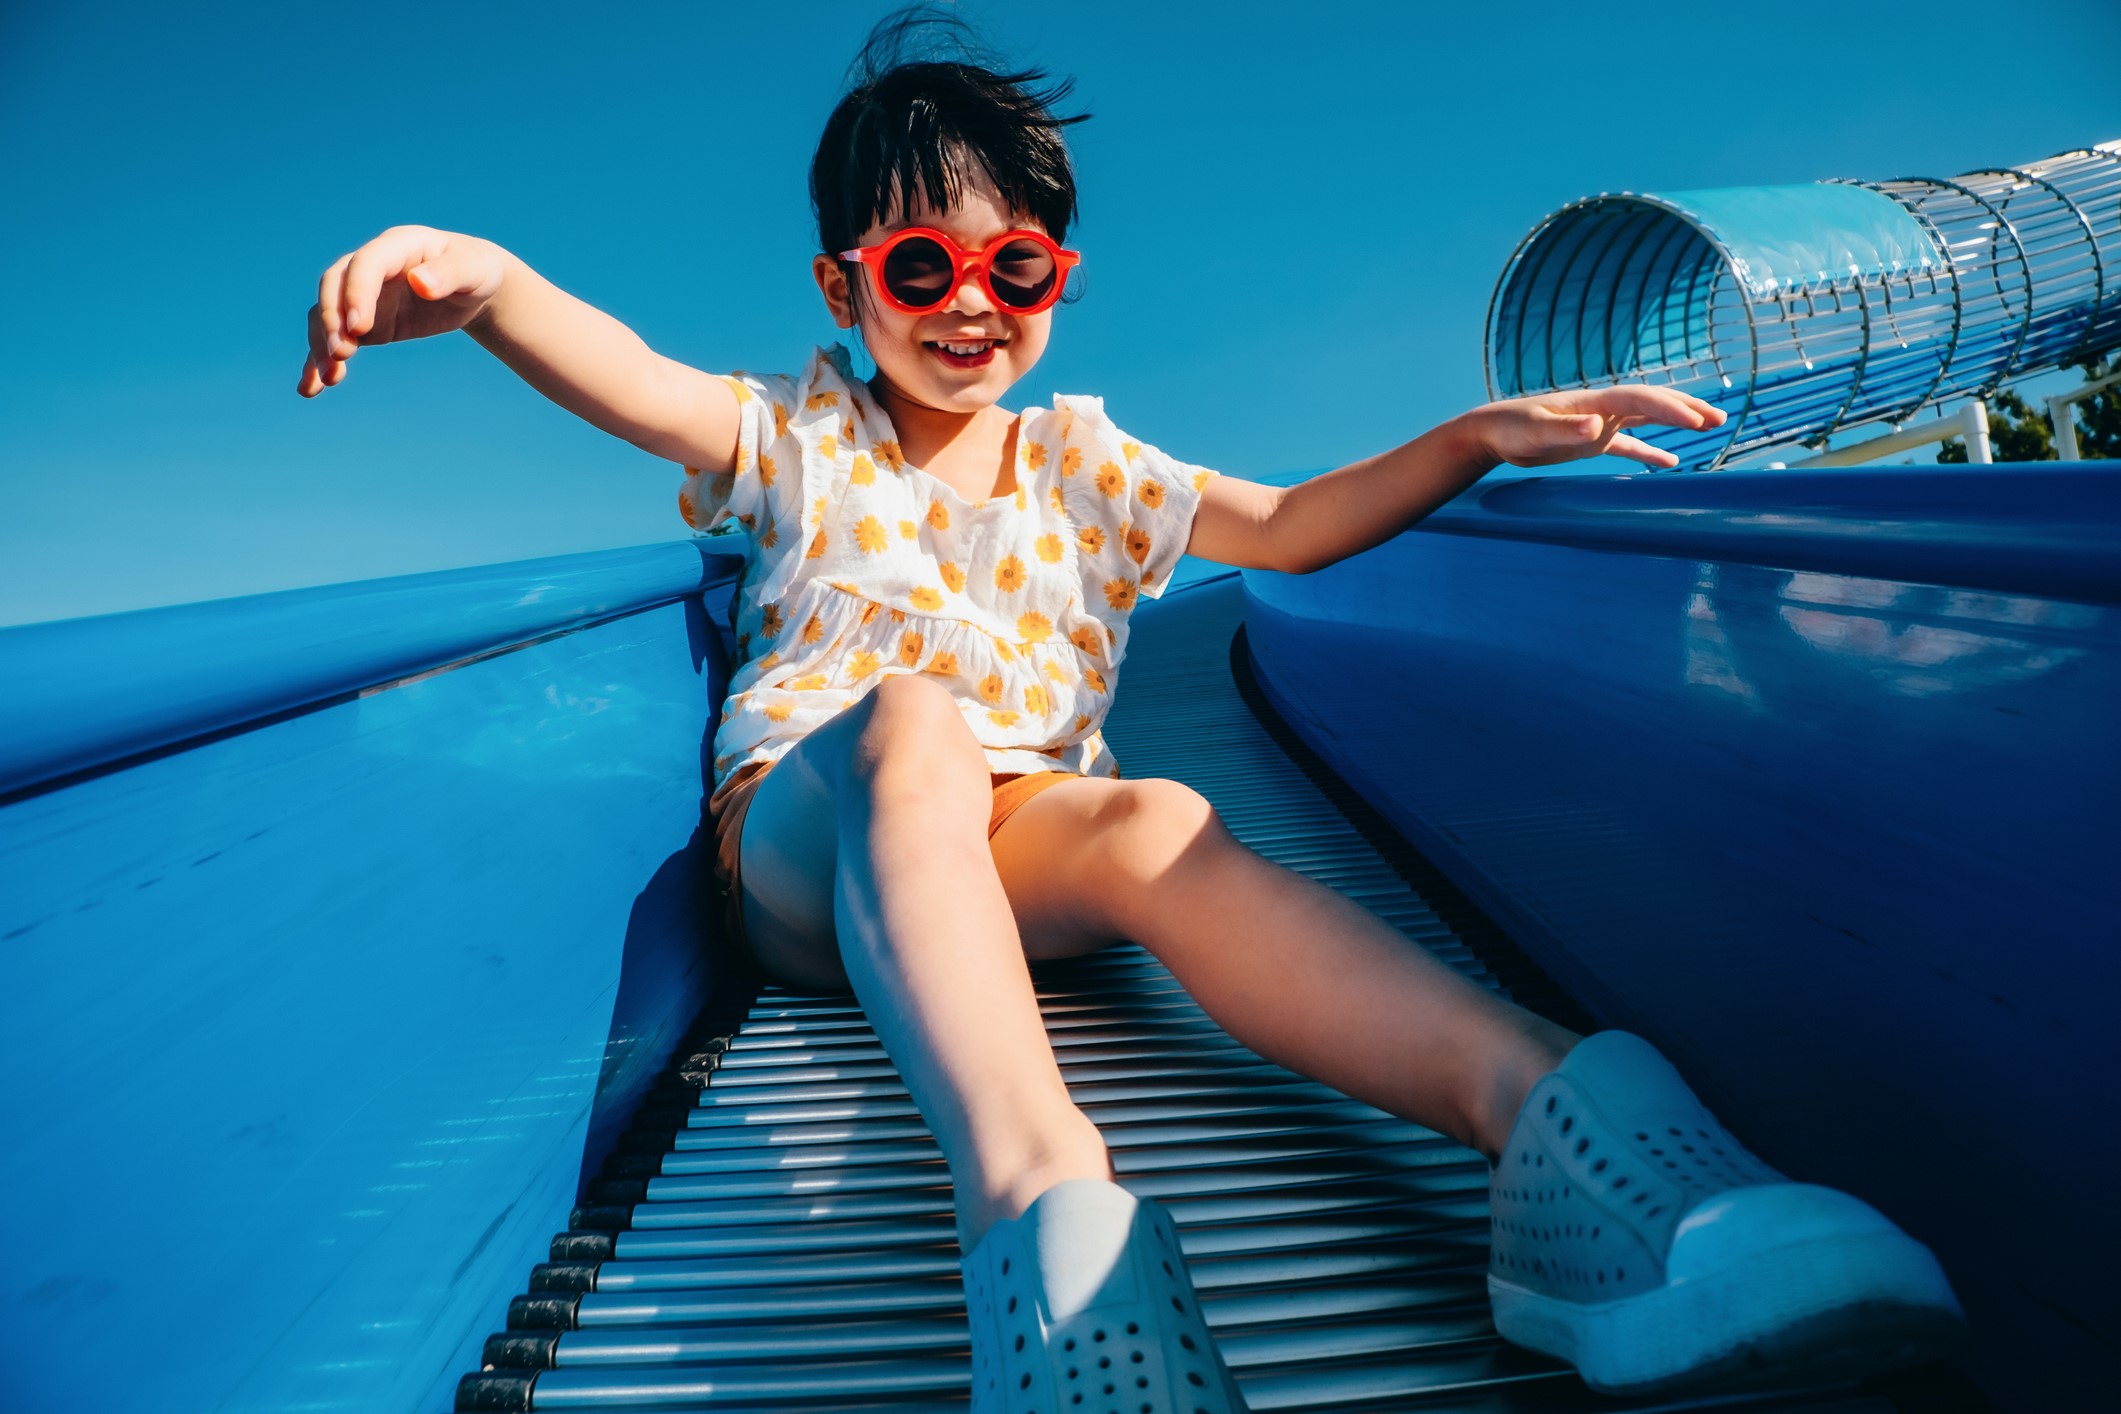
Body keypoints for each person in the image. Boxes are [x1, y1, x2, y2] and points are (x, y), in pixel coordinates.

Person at [296, 11, 1965, 1409]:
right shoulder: (797, 432)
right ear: (843, 286)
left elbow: (1290, 530)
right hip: (824, 836)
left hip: (1024, 832)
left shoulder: (1092, 464)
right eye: (919, 261)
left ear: (1056, 276)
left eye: (1012, 263)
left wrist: (1471, 437)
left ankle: (1559, 1143)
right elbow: (638, 379)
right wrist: (494, 285)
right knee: (911, 724)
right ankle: (1046, 1211)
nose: (970, 298)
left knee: (1161, 817)